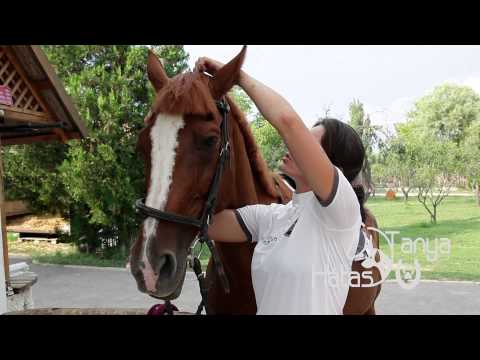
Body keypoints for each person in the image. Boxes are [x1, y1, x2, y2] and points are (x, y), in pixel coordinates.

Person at [195, 57, 367, 315]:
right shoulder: (273, 216)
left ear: (334, 169)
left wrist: (237, 77)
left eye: (308, 142)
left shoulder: (341, 213)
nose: (292, 145)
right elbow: (201, 224)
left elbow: (287, 121)